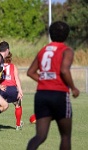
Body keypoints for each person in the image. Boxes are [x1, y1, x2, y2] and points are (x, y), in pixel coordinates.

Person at [26, 21, 80, 150]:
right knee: (65, 136)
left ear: (50, 34)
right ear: (67, 35)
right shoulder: (66, 50)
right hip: (59, 94)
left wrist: (45, 81)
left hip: (41, 95)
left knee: (40, 136)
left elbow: (30, 72)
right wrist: (73, 88)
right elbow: (64, 70)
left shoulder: (43, 50)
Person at [0, 52, 24, 131]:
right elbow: (17, 79)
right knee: (17, 105)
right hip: (12, 89)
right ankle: (18, 125)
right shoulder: (13, 66)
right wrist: (20, 90)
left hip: (1, 88)